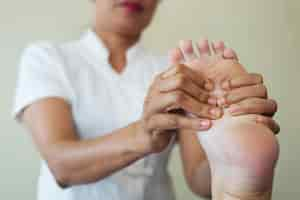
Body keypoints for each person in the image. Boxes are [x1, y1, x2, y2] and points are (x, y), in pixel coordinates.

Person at [12, 0, 279, 200]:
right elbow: (61, 165)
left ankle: (243, 181)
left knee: (233, 168)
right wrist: (144, 135)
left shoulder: (178, 69)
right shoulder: (47, 58)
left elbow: (199, 177)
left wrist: (232, 146)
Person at [167, 40, 279, 199]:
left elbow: (197, 178)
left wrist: (228, 160)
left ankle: (236, 173)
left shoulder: (184, 73)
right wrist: (141, 133)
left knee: (231, 170)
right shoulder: (175, 74)